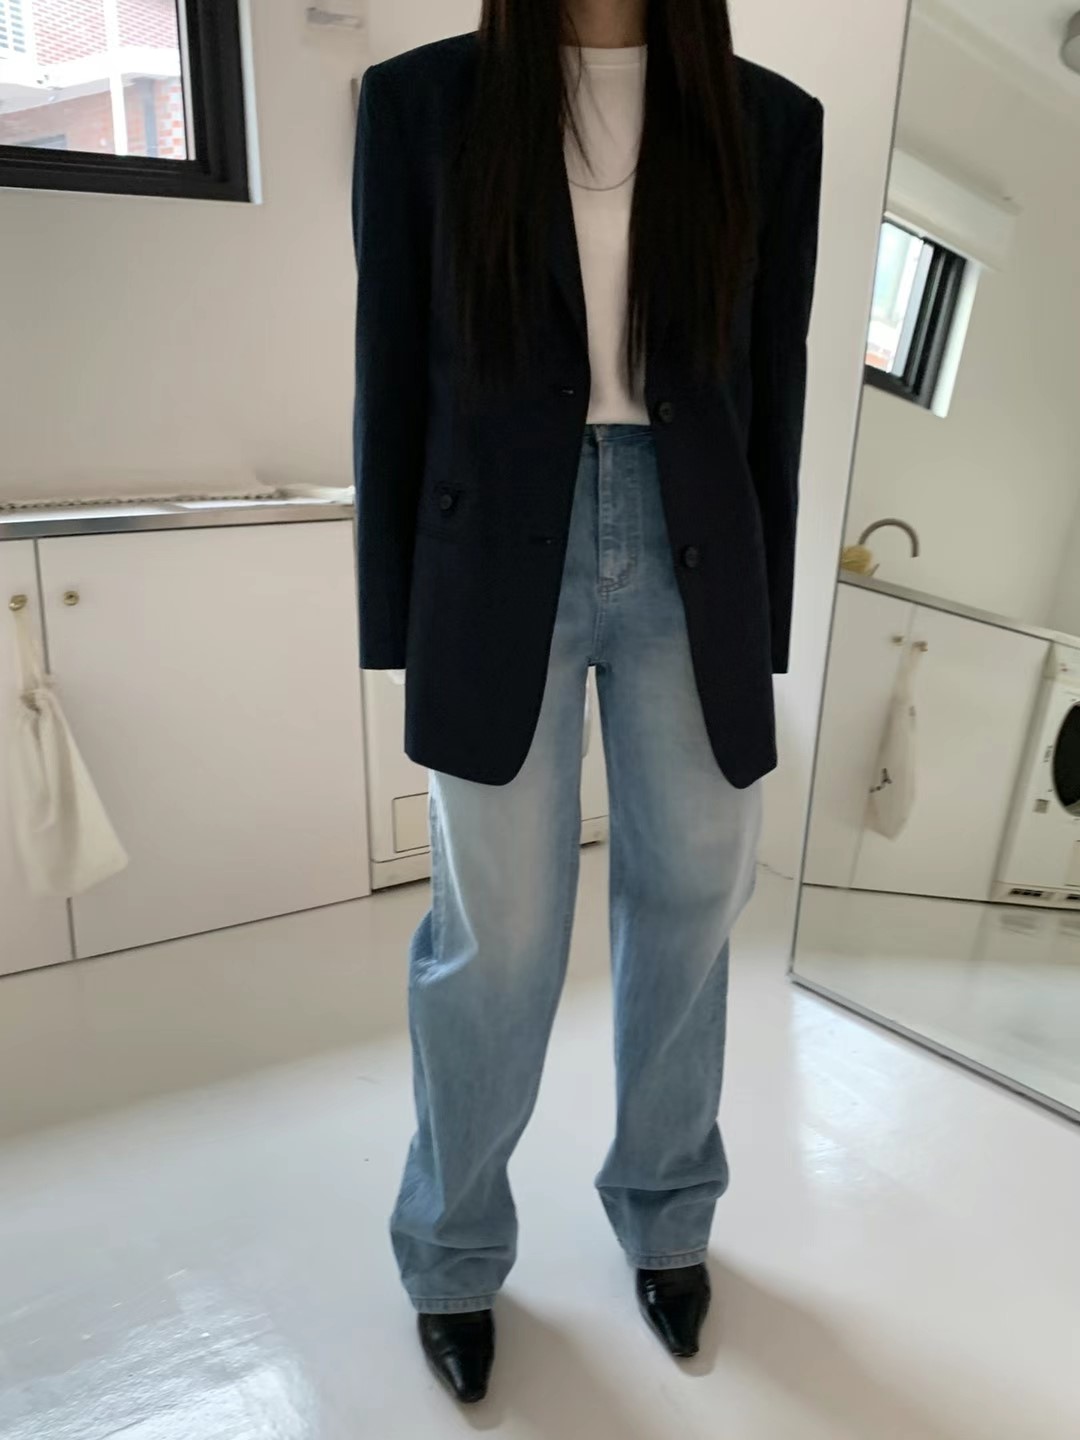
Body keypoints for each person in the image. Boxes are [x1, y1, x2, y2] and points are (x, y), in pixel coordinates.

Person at [352, 0, 823, 1405]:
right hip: (495, 553)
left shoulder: (767, 121)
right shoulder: (425, 103)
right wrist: (399, 622)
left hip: (697, 553)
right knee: (496, 936)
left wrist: (760, 622)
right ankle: (452, 1252)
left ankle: (667, 1215)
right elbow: (390, 369)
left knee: (692, 899)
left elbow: (776, 387)